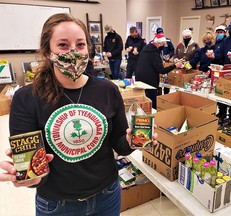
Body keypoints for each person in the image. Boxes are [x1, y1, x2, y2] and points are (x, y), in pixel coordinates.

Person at [0, 13, 157, 216]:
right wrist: (31, 178)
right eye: (63, 45)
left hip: (107, 196)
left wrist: (132, 141)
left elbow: (119, 145)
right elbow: (32, 167)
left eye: (80, 45)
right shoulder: (27, 98)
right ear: (48, 52)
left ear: (88, 50)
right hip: (57, 204)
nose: (74, 51)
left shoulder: (107, 89)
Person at [135, 33, 183, 109]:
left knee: (142, 100)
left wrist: (159, 63)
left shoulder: (146, 48)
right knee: (152, 102)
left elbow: (149, 63)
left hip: (139, 78)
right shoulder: (154, 53)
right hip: (149, 81)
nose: (163, 47)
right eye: (163, 45)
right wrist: (175, 65)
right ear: (158, 43)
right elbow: (161, 70)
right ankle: (154, 116)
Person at [156, 27, 175, 95]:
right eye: (159, 33)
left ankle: (167, 93)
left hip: (166, 62)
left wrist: (169, 55)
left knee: (166, 79)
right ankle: (159, 94)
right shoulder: (155, 42)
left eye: (162, 33)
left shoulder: (168, 41)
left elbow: (172, 50)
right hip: (158, 62)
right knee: (159, 80)